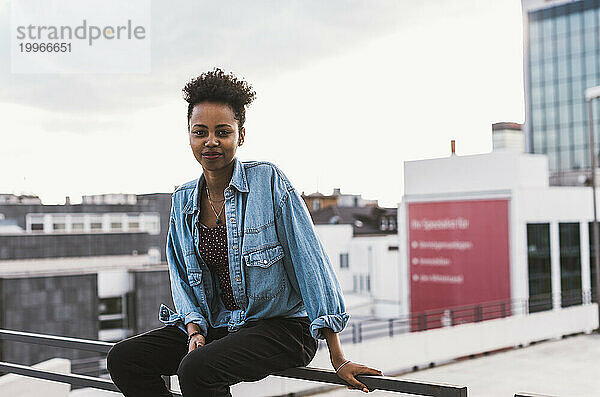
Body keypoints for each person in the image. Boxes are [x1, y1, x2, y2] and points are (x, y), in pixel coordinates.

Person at [106, 68, 382, 397]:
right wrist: (194, 328)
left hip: (283, 328)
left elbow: (310, 264)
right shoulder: (182, 201)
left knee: (194, 371)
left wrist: (338, 358)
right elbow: (181, 278)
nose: (210, 141)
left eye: (222, 132)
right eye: (200, 132)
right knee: (124, 359)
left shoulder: (268, 182)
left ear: (241, 135)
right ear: (189, 137)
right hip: (223, 326)